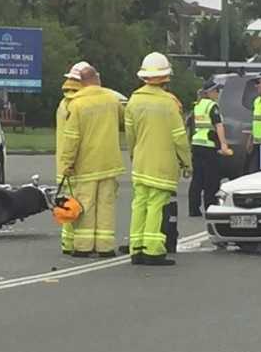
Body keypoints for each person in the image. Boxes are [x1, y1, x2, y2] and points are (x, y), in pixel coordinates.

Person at [125, 53, 191, 266]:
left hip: (141, 162)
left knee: (139, 204)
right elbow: (179, 137)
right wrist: (187, 162)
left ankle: (136, 248)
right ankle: (152, 250)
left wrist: (135, 154)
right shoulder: (169, 103)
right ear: (166, 78)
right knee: (156, 205)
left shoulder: (133, 100)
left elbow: (130, 133)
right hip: (162, 165)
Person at [59, 63, 125, 258]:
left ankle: (83, 247)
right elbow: (123, 120)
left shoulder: (77, 104)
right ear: (98, 80)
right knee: (106, 206)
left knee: (86, 206)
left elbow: (71, 138)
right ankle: (105, 247)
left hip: (86, 165)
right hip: (109, 163)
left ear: (82, 82)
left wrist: (66, 163)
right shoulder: (112, 100)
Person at [56, 61, 90, 255]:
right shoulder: (77, 105)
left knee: (67, 204)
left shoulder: (63, 103)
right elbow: (75, 137)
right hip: (75, 163)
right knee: (78, 207)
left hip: (63, 162)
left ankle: (67, 243)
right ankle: (77, 244)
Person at [188, 80, 232, 216]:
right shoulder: (212, 106)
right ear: (210, 92)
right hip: (209, 146)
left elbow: (192, 125)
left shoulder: (198, 105)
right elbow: (218, 125)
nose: (218, 93)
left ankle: (193, 209)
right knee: (211, 179)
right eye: (216, 91)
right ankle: (210, 207)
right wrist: (224, 145)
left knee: (197, 179)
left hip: (197, 144)